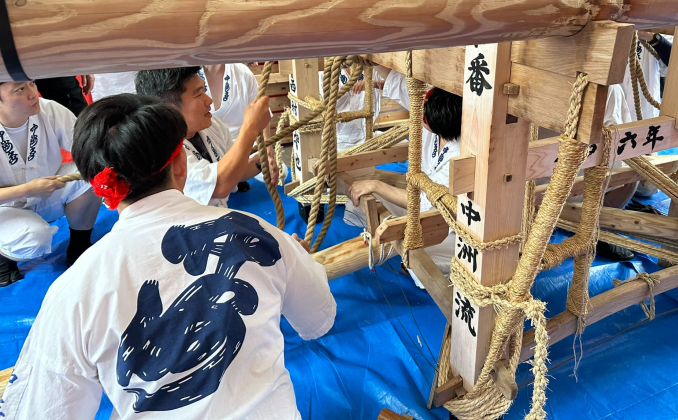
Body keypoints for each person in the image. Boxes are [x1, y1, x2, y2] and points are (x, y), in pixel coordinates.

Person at [0, 94, 335, 419]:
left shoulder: (74, 289)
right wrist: (294, 258)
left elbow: (44, 410)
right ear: (181, 164)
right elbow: (319, 318)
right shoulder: (257, 233)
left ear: (103, 194)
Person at [347, 67, 461, 277]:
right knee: (359, 193)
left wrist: (377, 185)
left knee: (420, 256)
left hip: (446, 223)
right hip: (420, 196)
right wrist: (369, 55)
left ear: (432, 124)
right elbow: (396, 81)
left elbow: (427, 206)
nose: (417, 115)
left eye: (422, 118)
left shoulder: (459, 155)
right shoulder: (434, 111)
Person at [0, 80, 102, 286]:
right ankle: (3, 258)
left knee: (92, 173)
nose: (33, 94)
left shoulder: (49, 109)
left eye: (32, 84)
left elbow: (85, 150)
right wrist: (27, 189)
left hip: (45, 192)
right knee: (33, 238)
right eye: (20, 89)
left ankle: (79, 246)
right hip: (5, 208)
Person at [135, 68, 276, 207]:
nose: (209, 100)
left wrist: (260, 163)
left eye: (204, 90)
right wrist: (250, 128)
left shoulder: (212, 126)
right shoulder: (162, 150)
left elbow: (233, 170)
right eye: (198, 94)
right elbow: (220, 184)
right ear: (169, 108)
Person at [201, 63, 280, 190]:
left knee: (277, 170)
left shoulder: (242, 72)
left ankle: (239, 177)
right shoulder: (191, 75)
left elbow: (260, 109)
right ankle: (235, 179)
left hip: (243, 140)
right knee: (210, 179)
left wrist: (267, 148)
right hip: (207, 144)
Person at [318, 66, 383, 152]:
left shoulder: (372, 69)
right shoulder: (325, 74)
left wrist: (373, 83)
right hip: (335, 140)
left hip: (366, 136)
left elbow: (392, 83)